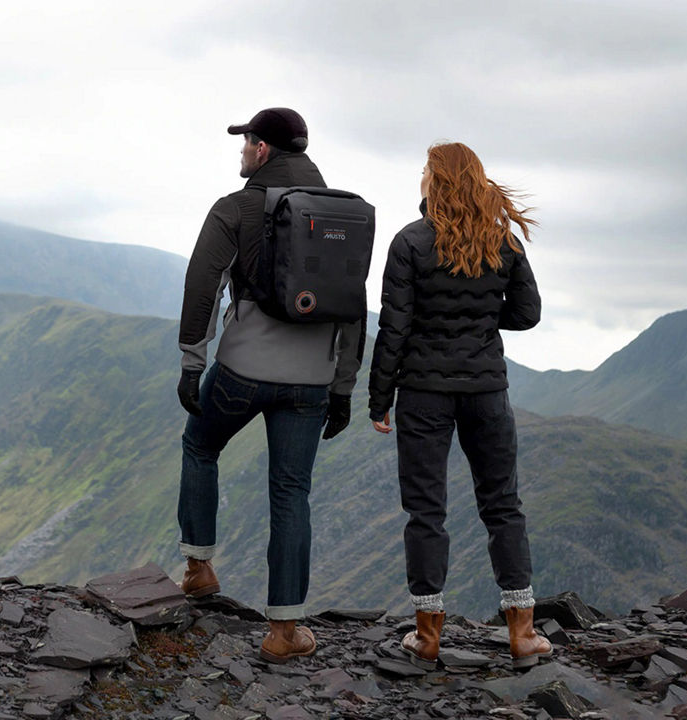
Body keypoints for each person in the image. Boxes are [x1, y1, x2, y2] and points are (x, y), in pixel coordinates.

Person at [175, 108, 365, 663]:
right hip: (311, 382)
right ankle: (284, 633)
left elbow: (202, 283)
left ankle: (199, 567)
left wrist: (193, 361)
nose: (241, 150)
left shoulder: (235, 208)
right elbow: (355, 308)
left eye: (247, 142)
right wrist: (343, 386)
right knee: (291, 493)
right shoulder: (343, 214)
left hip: (241, 372)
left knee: (200, 444)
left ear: (262, 151)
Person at [368, 141, 552, 670]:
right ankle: (522, 632)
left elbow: (394, 327)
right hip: (488, 391)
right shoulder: (503, 241)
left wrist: (380, 398)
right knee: (503, 506)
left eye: (426, 171)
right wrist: (479, 324)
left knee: (426, 512)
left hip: (423, 393)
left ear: (436, 180)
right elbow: (528, 313)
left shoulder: (410, 241)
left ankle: (427, 636)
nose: (422, 177)